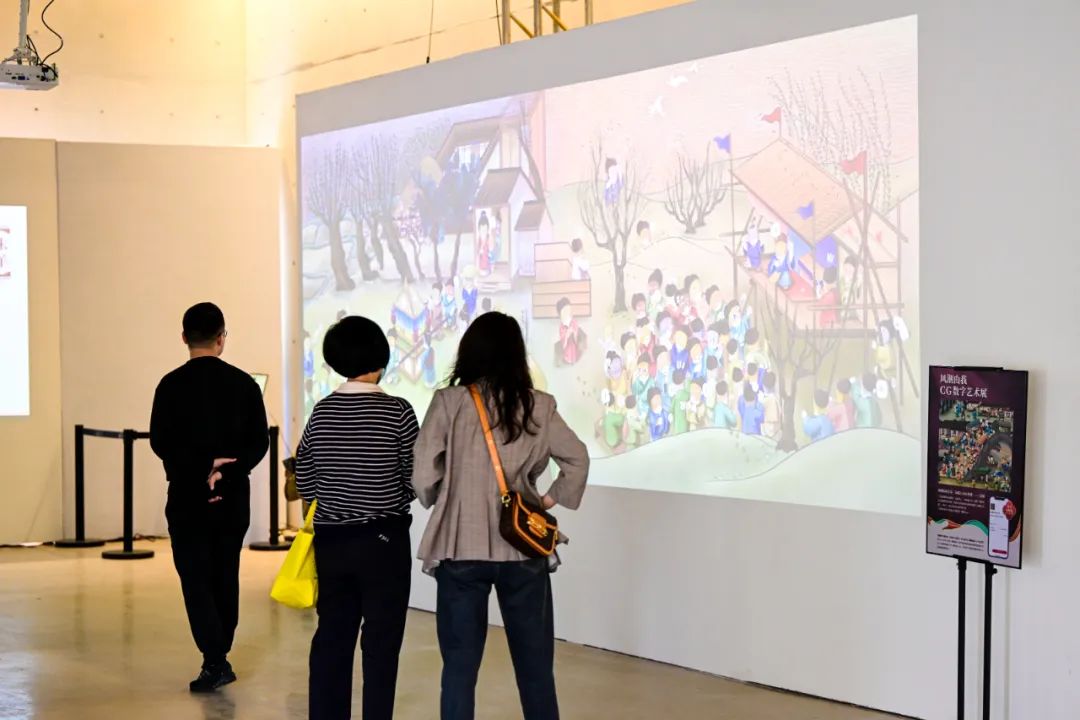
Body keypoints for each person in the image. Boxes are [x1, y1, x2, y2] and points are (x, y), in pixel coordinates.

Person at [412, 312, 589, 720]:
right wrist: (546, 500)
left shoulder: (449, 402)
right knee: (535, 669)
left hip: (460, 546)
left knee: (459, 670)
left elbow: (422, 474)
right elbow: (577, 459)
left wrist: (443, 497)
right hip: (522, 546)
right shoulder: (539, 405)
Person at [295, 315, 419, 720]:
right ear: (381, 357)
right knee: (382, 644)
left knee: (332, 637)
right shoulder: (398, 411)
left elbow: (306, 481)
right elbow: (415, 478)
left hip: (332, 542)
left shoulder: (321, 412)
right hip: (385, 540)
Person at [149, 302, 268, 693]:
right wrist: (226, 468)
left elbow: (160, 441)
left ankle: (214, 657)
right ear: (222, 338)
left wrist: (202, 465)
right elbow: (259, 442)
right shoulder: (244, 384)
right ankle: (219, 654)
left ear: (184, 337)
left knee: (195, 577)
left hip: (187, 495)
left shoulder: (170, 385)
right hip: (232, 496)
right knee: (224, 573)